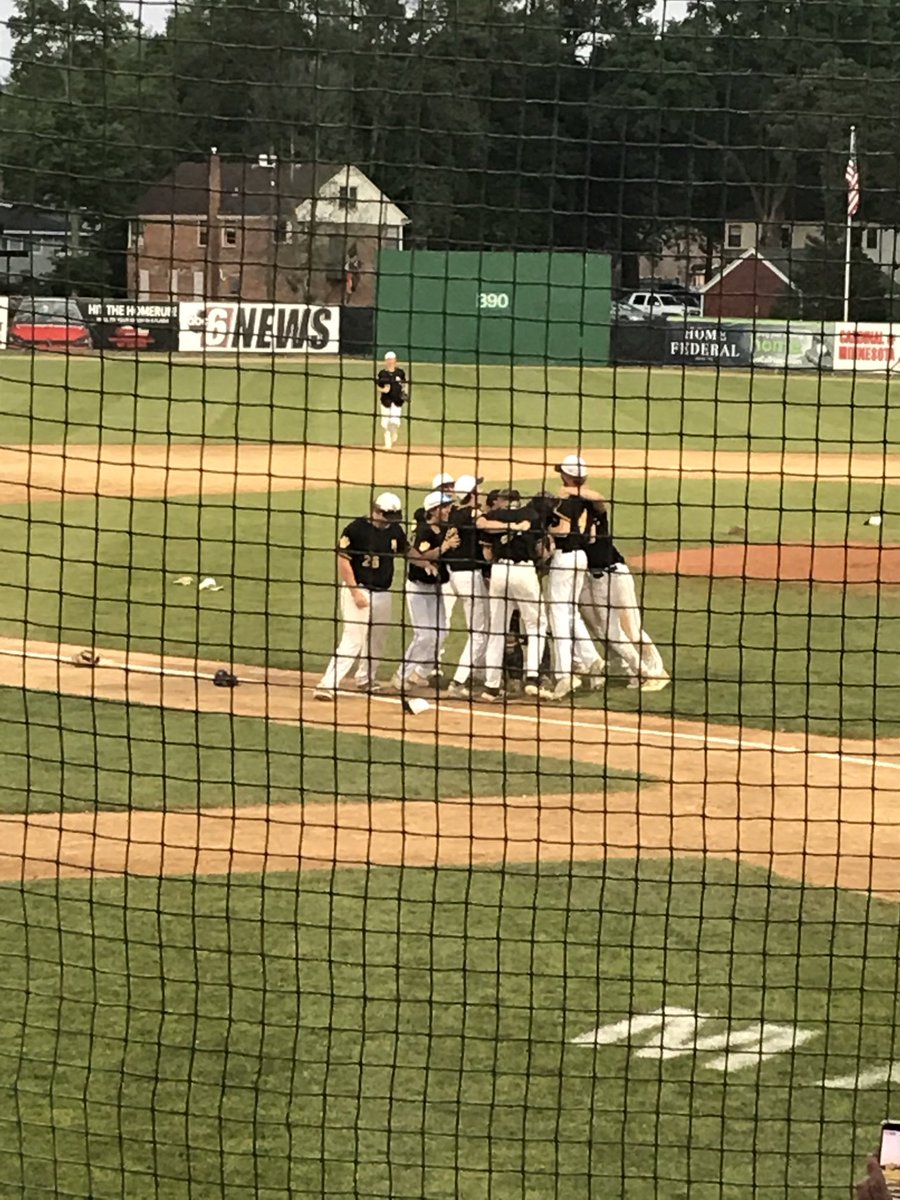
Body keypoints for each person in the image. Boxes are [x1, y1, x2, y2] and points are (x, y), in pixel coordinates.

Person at [575, 483, 669, 692]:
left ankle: (657, 672)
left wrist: (572, 489)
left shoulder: (597, 515)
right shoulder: (572, 526)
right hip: (597, 579)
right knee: (609, 631)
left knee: (631, 630)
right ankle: (638, 670)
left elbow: (599, 500)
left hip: (616, 574)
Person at [315, 493, 408, 700]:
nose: (389, 522)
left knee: (378, 638)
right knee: (353, 638)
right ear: (376, 511)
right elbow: (344, 561)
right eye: (387, 516)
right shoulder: (355, 529)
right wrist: (355, 591)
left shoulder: (394, 529)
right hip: (360, 589)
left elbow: (407, 552)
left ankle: (365, 678)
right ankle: (327, 684)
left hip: (383, 591)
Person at [477, 489, 552, 702]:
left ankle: (491, 687)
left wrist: (506, 529)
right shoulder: (533, 516)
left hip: (499, 572)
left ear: (503, 502)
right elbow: (541, 552)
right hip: (523, 571)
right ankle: (532, 678)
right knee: (536, 625)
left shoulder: (495, 515)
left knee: (497, 630)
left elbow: (485, 546)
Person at [545, 454, 606, 699]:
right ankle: (592, 660)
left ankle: (564, 675)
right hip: (581, 556)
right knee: (569, 612)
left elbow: (561, 530)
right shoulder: (588, 503)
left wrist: (542, 527)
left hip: (565, 556)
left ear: (567, 476)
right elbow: (591, 535)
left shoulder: (565, 502)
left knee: (558, 614)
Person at [394, 490, 459, 689]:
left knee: (440, 633)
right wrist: (445, 547)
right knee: (424, 635)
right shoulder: (424, 531)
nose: (449, 510)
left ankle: (420, 673)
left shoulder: (445, 528)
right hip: (418, 589)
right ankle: (401, 676)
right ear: (433, 510)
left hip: (435, 588)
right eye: (445, 507)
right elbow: (421, 556)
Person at [443, 474, 490, 699]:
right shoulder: (473, 515)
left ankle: (479, 670)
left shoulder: (453, 513)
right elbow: (485, 525)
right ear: (471, 494)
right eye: (477, 489)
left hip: (455, 575)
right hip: (469, 576)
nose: (481, 491)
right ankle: (459, 680)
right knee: (479, 631)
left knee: (481, 627)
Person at [376, 351, 407, 450]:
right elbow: (378, 386)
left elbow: (404, 384)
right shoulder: (382, 374)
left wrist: (405, 393)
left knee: (394, 422)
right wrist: (383, 390)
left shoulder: (400, 373)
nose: (390, 361)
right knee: (385, 423)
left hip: (397, 401)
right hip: (386, 401)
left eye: (392, 359)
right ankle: (387, 444)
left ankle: (394, 433)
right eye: (388, 359)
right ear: (385, 361)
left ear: (395, 360)